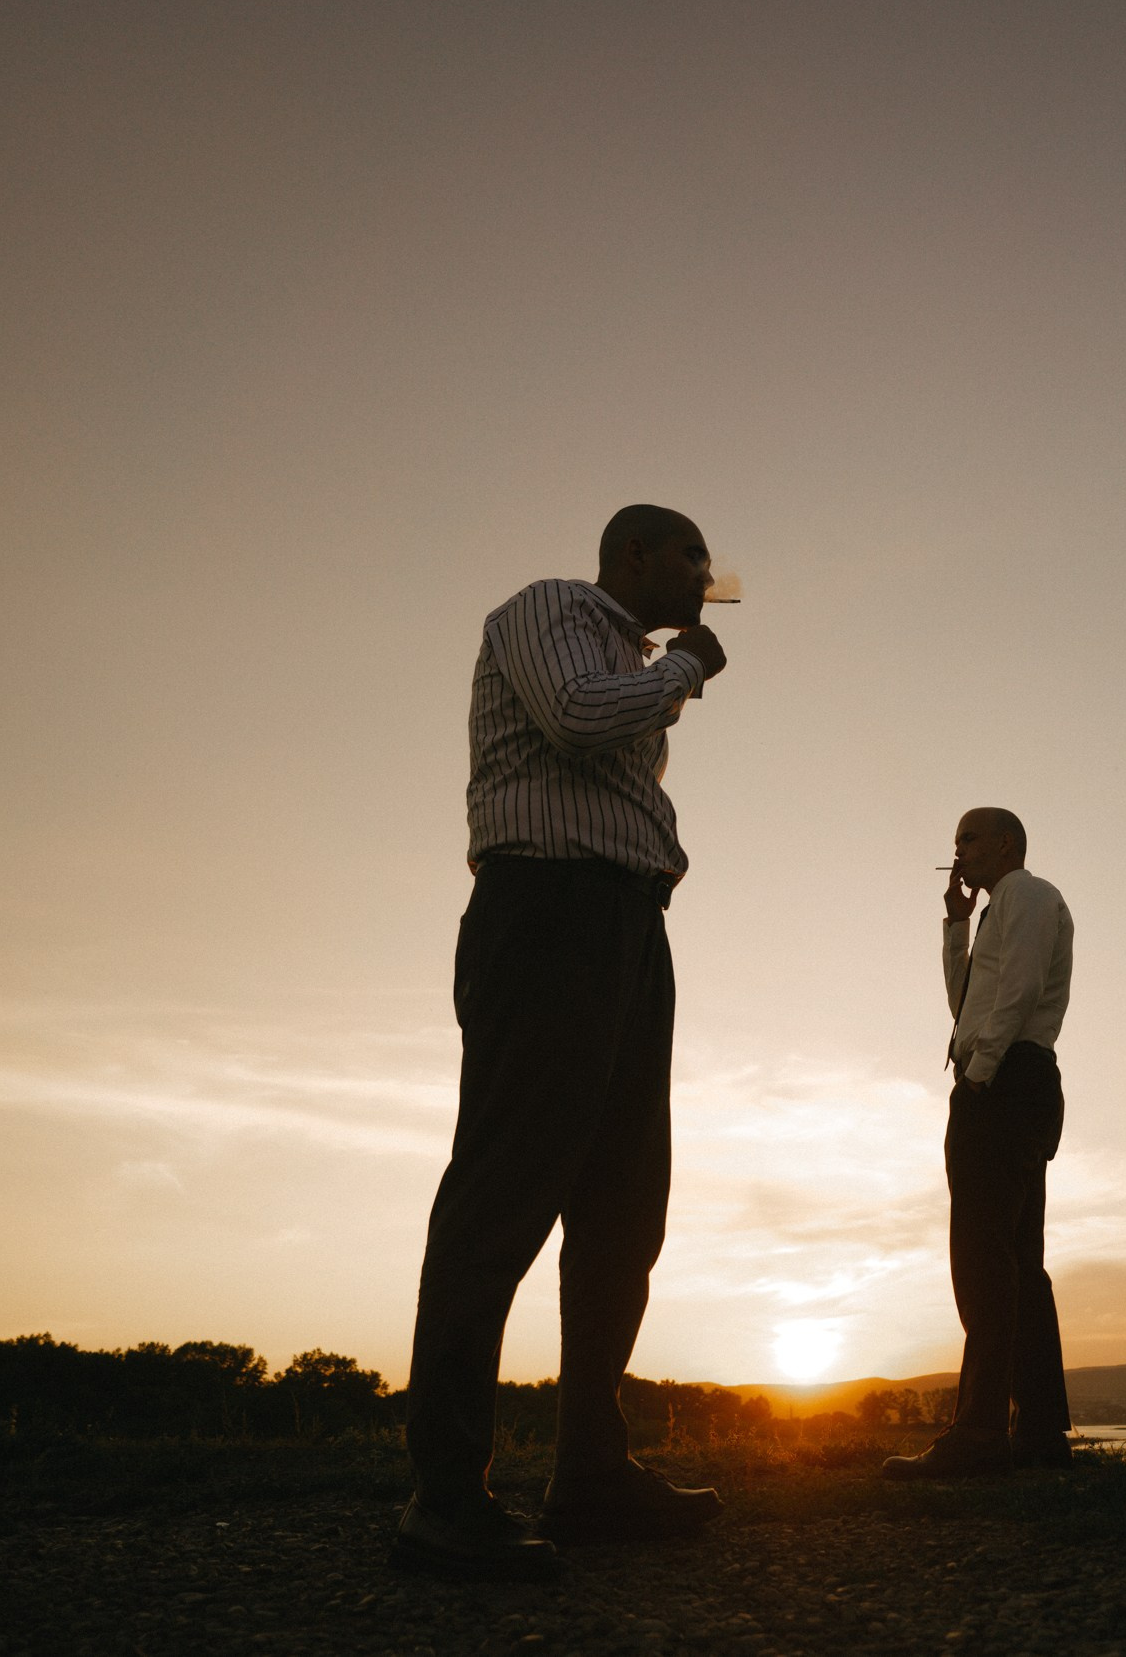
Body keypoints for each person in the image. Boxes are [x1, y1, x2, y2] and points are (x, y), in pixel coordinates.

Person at [391, 504, 731, 1580]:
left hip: (627, 923)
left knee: (625, 1205)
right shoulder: (551, 613)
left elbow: (617, 765)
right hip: (548, 914)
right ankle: (444, 1494)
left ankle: (590, 1475)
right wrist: (689, 668)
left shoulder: (634, 662)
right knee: (505, 1190)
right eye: (692, 555)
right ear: (634, 553)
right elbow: (580, 717)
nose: (707, 574)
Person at [883, 808, 1077, 1478]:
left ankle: (980, 1432)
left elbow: (1017, 990)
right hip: (1015, 1077)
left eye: (968, 837)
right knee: (1019, 1259)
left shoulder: (1026, 892)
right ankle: (1040, 1430)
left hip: (1003, 1081)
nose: (957, 849)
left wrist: (982, 1072)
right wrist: (956, 923)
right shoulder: (1002, 907)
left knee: (982, 1254)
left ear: (1004, 843)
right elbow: (964, 1003)